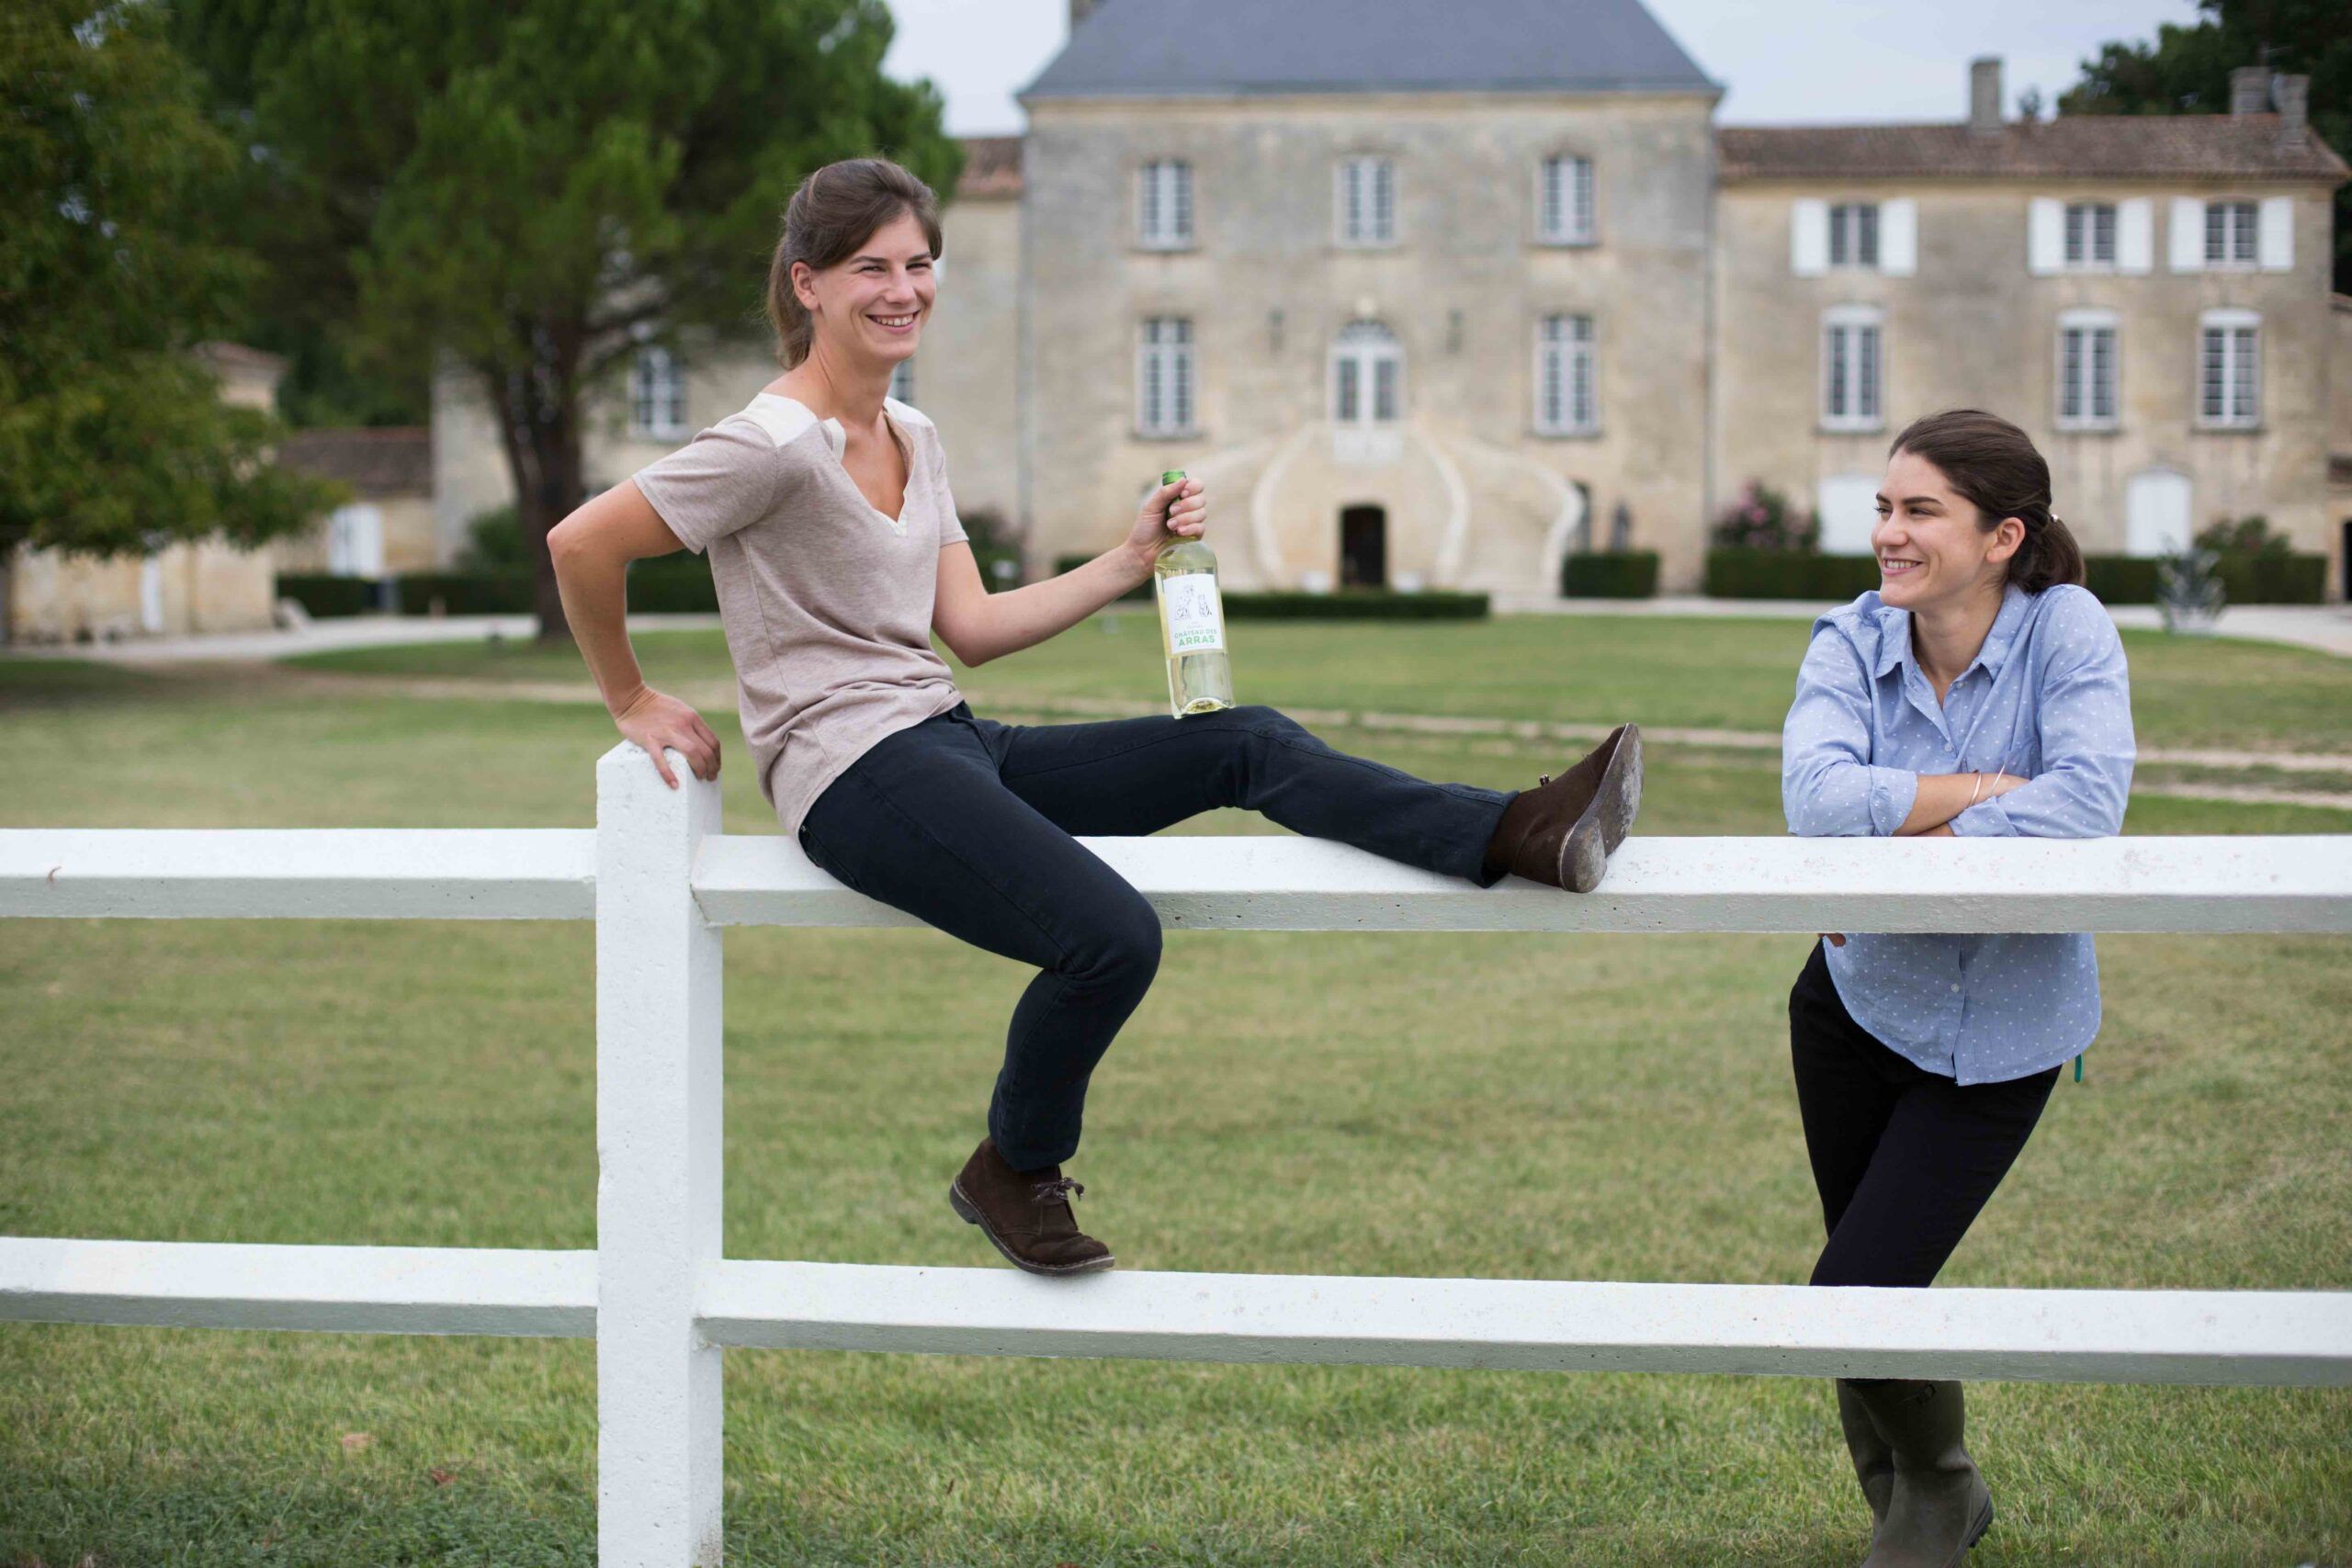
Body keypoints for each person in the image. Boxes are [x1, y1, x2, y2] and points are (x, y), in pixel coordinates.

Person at [548, 157, 1642, 1278]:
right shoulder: (766, 443)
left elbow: (966, 625)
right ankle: (1012, 1167)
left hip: (943, 737)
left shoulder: (914, 437)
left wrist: (1129, 558)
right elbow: (581, 544)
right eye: (869, 267)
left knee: (1244, 741)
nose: (902, 289)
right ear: (807, 284)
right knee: (1109, 939)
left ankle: (1514, 830)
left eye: (919, 264)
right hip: (846, 774)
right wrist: (630, 696)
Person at [1780, 408, 2133, 1566]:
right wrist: (1983, 788)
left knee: (1859, 1281)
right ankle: (1910, 1498)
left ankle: (1938, 1499)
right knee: (1859, 1280)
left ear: (2000, 537)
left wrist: (1911, 842)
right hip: (1854, 1001)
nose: (1888, 532)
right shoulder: (1848, 638)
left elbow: (2087, 802)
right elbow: (1816, 804)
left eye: (1919, 510)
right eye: (1884, 506)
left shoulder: (2066, 631)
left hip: (2005, 1034)